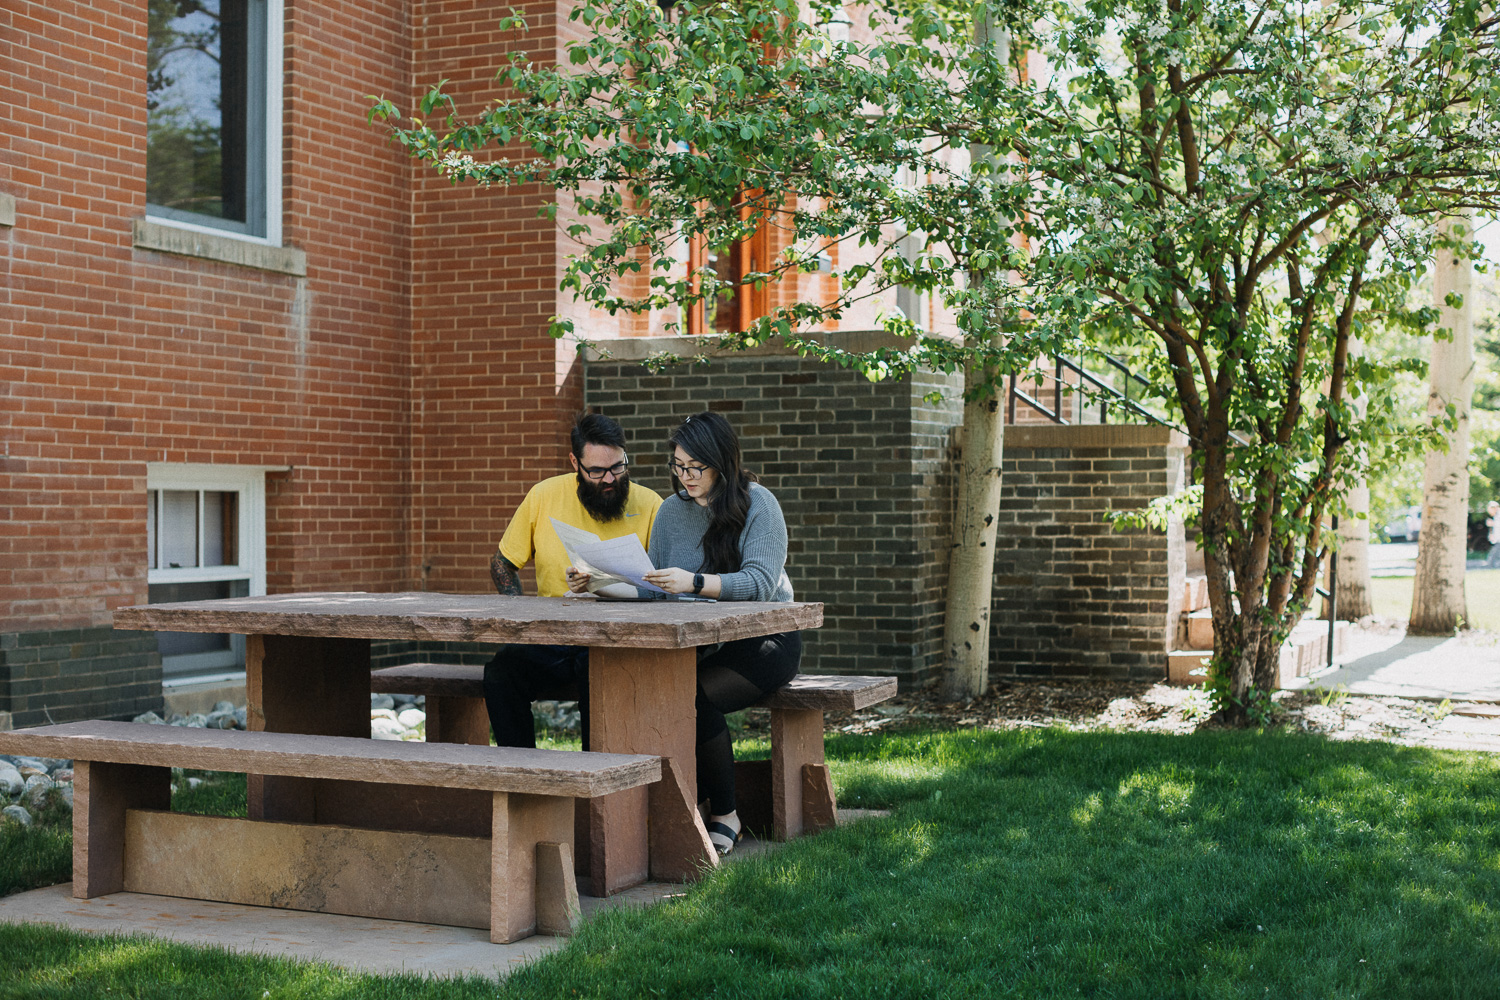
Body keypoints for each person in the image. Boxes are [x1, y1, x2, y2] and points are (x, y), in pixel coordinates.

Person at [569, 411, 800, 856]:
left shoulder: (760, 505)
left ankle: (726, 813)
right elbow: (653, 585)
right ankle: (638, 805)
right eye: (678, 466)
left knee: (692, 698)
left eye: (696, 468)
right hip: (699, 642)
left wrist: (693, 581)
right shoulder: (672, 511)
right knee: (620, 682)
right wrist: (597, 582)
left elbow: (759, 585)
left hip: (765, 640)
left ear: (723, 463)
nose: (686, 476)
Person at [483, 413, 662, 749]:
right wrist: (518, 617)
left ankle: (596, 785)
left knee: (599, 680)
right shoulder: (544, 495)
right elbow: (502, 564)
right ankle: (523, 773)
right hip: (553, 633)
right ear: (575, 463)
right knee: (500, 673)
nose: (609, 479)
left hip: (618, 640)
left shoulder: (652, 504)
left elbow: (667, 584)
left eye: (618, 467)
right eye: (596, 471)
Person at [1487, 500, 1500, 568]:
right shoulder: (1496, 516)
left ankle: (1491, 567)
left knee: (1493, 558)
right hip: (1498, 541)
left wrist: (1493, 523)